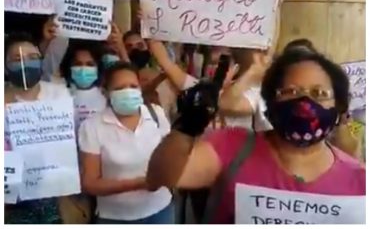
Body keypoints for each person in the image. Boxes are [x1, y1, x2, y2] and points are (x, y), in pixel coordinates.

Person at [146, 49, 365, 224]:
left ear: (339, 108)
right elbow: (161, 177)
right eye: (290, 91)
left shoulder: (361, 182)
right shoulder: (232, 148)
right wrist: (187, 127)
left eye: (320, 93)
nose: (305, 103)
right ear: (269, 106)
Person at [78, 62, 174, 224]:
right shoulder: (92, 126)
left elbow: (170, 158)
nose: (128, 92)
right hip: (116, 218)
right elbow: (90, 183)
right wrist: (137, 184)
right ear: (106, 93)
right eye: (120, 88)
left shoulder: (156, 114)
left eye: (133, 86)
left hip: (160, 211)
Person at [4, 32, 70, 224]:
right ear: (6, 66)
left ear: (42, 61)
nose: (25, 63)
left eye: (33, 58)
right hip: (12, 203)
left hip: (57, 198)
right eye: (17, 59)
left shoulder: (60, 95)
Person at [59, 41, 107, 129]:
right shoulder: (59, 94)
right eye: (78, 64)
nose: (83, 69)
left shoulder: (106, 96)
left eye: (90, 64)